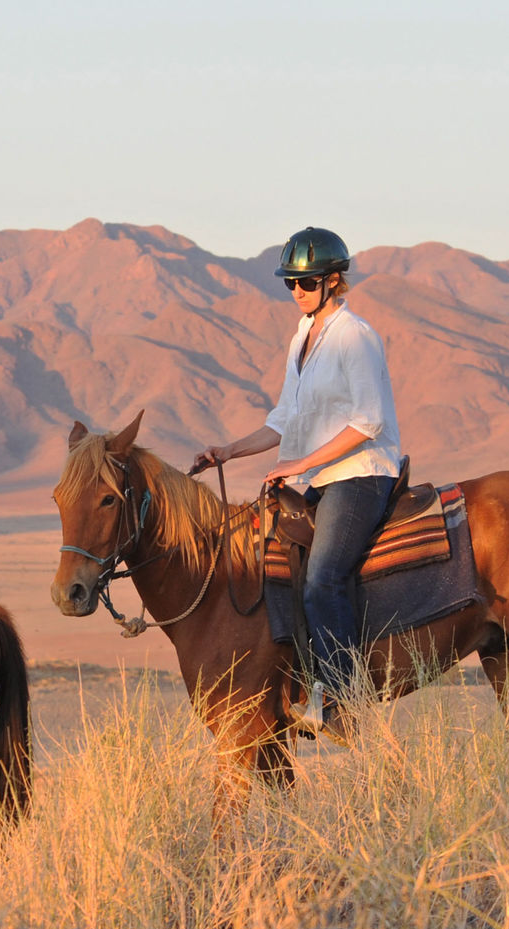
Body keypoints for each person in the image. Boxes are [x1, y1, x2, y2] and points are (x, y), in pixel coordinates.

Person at [192, 227, 402, 738]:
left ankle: (342, 701)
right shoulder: (301, 338)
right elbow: (283, 417)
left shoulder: (355, 336)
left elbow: (368, 421)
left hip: (360, 474)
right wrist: (228, 450)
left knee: (323, 576)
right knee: (273, 568)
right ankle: (289, 683)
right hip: (320, 476)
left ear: (334, 281)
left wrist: (300, 463)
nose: (296, 291)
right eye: (290, 282)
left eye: (305, 282)